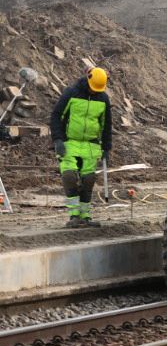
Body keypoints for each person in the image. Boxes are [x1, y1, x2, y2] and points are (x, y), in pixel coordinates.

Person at [51, 67, 112, 228]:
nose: (94, 92)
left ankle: (85, 216)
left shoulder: (103, 98)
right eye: (93, 88)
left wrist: (106, 148)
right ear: (88, 80)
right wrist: (58, 140)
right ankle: (74, 215)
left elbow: (106, 125)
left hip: (91, 145)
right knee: (69, 176)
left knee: (89, 180)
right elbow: (56, 115)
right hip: (69, 142)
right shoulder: (72, 93)